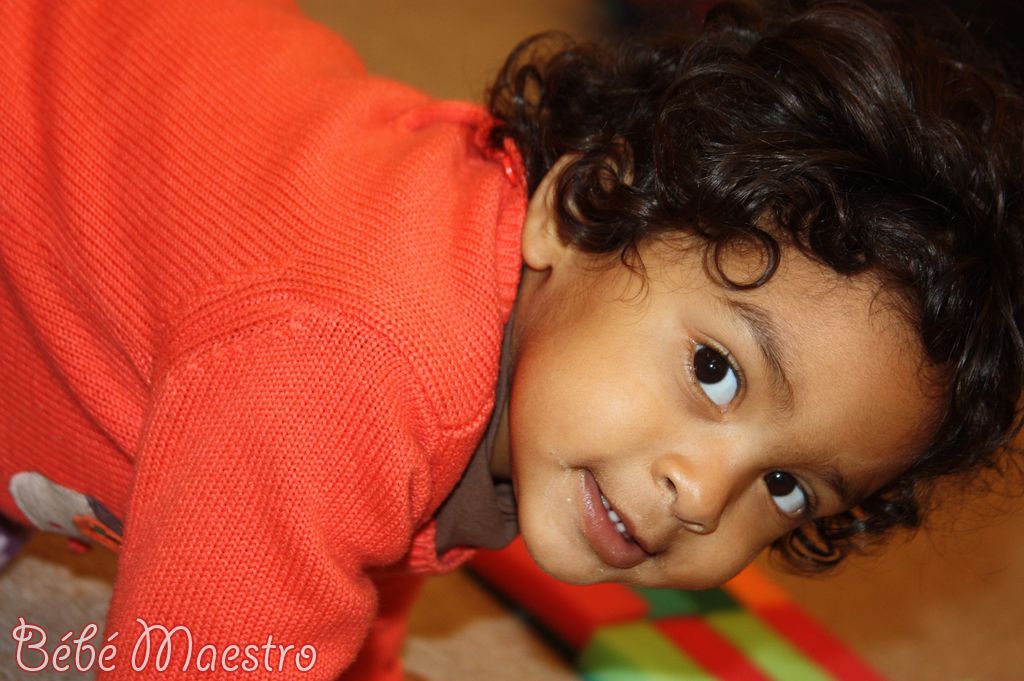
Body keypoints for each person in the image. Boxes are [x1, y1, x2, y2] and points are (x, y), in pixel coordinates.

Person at [0, 0, 1020, 678]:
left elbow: (349, 532)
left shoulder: (496, 351)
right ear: (579, 210)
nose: (705, 496)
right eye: (715, 372)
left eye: (787, 487)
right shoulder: (357, 360)